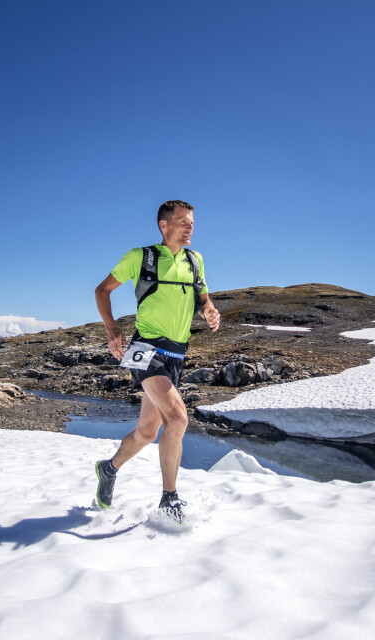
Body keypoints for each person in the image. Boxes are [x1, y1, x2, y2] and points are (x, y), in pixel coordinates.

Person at [92, 200, 220, 521]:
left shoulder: (195, 260)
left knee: (148, 433)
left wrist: (208, 309)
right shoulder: (141, 257)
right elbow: (102, 291)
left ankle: (109, 469)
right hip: (144, 348)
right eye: (183, 222)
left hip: (177, 353)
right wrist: (112, 330)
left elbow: (201, 293)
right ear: (164, 225)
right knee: (178, 418)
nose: (190, 227)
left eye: (192, 223)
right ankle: (170, 498)